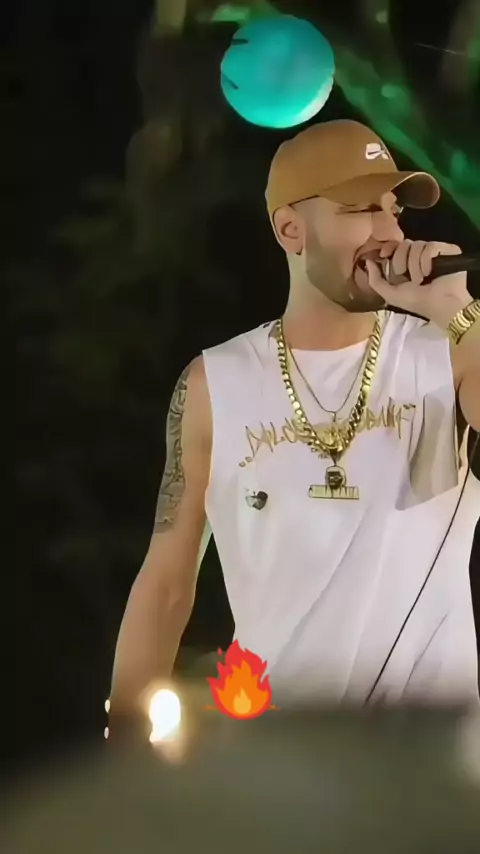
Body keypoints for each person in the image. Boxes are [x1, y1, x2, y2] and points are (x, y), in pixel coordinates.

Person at [110, 119, 480, 726]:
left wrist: (458, 314)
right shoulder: (214, 384)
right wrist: (124, 745)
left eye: (393, 211)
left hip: (431, 761)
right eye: (361, 210)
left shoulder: (451, 348)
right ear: (290, 230)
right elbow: (167, 585)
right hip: (279, 760)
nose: (389, 234)